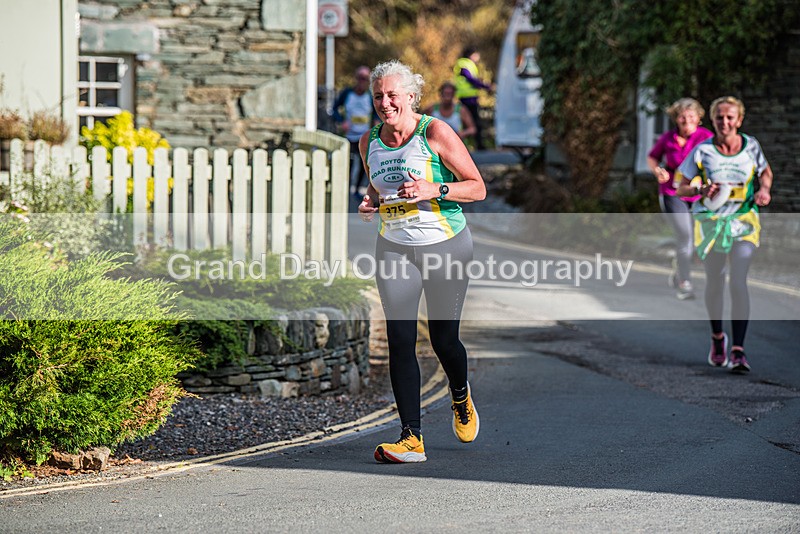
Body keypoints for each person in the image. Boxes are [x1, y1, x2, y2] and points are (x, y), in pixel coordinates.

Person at [357, 60, 486, 463]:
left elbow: (478, 188)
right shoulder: (368, 142)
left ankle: (460, 394)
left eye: (393, 94)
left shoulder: (435, 133)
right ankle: (411, 438)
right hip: (394, 247)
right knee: (399, 340)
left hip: (445, 245)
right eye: (378, 95)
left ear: (412, 97)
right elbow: (379, 190)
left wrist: (436, 187)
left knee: (444, 339)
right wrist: (370, 204)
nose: (385, 102)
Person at [675, 96, 774, 374]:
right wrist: (699, 190)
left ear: (739, 120)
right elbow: (680, 187)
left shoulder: (751, 146)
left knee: (738, 280)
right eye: (720, 117)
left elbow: (766, 172)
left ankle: (738, 351)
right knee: (716, 281)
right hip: (711, 223)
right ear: (713, 120)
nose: (725, 122)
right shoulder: (702, 150)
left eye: (730, 117)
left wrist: (764, 190)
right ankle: (718, 337)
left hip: (743, 221)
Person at [646, 98, 714, 300]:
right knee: (685, 236)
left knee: (696, 240)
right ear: (676, 118)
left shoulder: (707, 137)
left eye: (691, 116)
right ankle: (685, 281)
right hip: (672, 193)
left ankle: (679, 271)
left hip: (699, 194)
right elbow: (652, 157)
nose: (686, 120)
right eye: (682, 116)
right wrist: (658, 171)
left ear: (699, 118)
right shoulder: (668, 138)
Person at [332, 65, 378, 196]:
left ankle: (357, 189)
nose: (362, 81)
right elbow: (334, 109)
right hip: (348, 135)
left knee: (364, 164)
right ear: (356, 78)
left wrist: (375, 122)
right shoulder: (347, 94)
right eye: (360, 78)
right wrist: (341, 121)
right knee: (348, 163)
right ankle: (345, 188)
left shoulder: (370, 96)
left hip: (363, 136)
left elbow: (376, 112)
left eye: (365, 79)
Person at [453, 46, 494, 150]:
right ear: (472, 54)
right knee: (473, 121)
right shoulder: (464, 63)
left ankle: (473, 143)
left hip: (469, 97)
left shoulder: (466, 64)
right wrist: (485, 86)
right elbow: (470, 79)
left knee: (472, 122)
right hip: (467, 98)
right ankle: (477, 144)